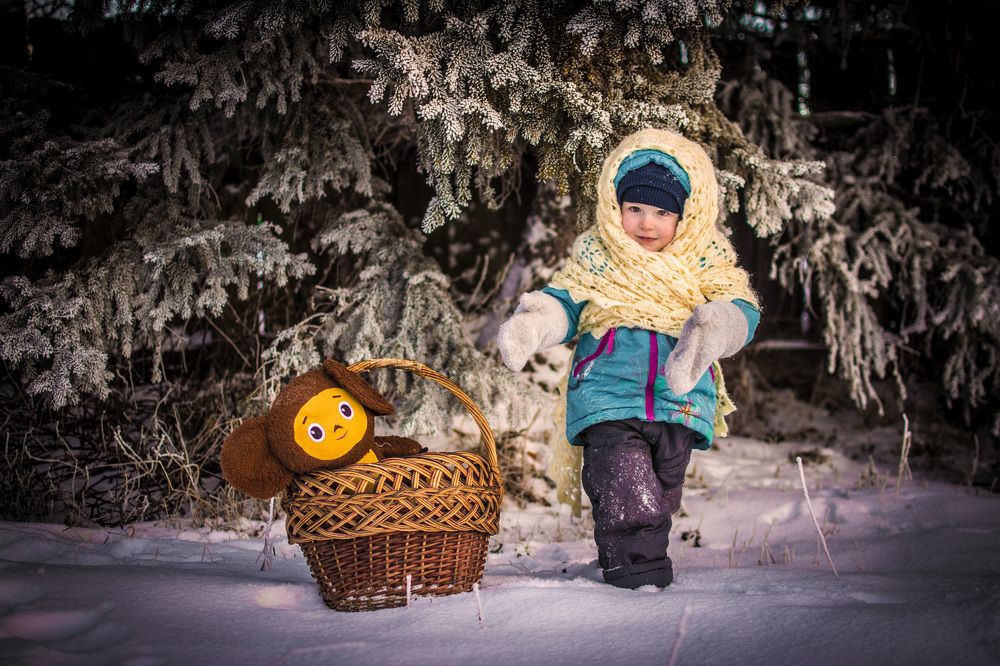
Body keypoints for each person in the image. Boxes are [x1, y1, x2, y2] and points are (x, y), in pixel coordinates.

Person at [497, 128, 761, 589]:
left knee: (657, 498)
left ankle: (638, 555)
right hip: (608, 396)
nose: (645, 223)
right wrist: (533, 325)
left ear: (687, 214)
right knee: (624, 489)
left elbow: (740, 309)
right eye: (634, 208)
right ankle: (636, 579)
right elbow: (566, 303)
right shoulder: (598, 256)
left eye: (662, 212)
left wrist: (718, 325)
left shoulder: (707, 258)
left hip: (679, 403)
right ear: (614, 206)